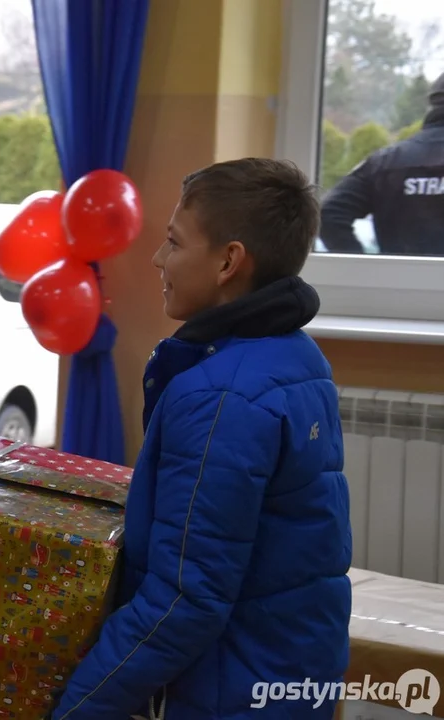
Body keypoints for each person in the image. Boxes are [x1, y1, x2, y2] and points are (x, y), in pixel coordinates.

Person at [48, 158, 351, 720]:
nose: (159, 258)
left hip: (230, 691)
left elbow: (185, 600)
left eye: (174, 242)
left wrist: (79, 707)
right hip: (291, 675)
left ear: (229, 262)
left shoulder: (220, 398)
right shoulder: (297, 356)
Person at [319, 72, 444, 256]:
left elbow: (328, 214)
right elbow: (329, 214)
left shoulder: (385, 162)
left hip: (398, 282)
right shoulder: (384, 163)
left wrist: (367, 273)